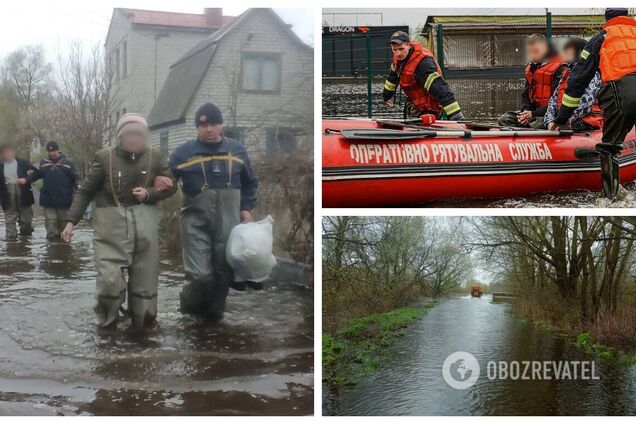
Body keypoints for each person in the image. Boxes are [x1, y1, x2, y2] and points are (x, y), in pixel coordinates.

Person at [61, 114, 177, 329]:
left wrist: (150, 193)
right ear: (120, 136)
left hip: (146, 229)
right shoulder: (104, 158)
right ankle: (107, 327)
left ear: (145, 136)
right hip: (110, 229)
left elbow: (171, 186)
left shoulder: (157, 157)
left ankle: (143, 329)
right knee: (109, 282)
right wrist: (70, 221)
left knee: (145, 285)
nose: (134, 138)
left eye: (139, 134)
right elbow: (85, 192)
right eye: (129, 134)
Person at [168, 103, 258, 321]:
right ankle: (188, 314)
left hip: (229, 224)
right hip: (195, 222)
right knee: (200, 276)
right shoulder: (183, 153)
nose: (209, 129)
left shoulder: (237, 150)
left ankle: (213, 319)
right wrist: (160, 184)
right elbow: (167, 181)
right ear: (197, 128)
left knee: (223, 274)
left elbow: (250, 183)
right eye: (203, 125)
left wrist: (246, 207)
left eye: (214, 124)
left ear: (221, 125)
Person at [549, 8, 636, 199]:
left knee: (609, 147)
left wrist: (563, 117)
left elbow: (578, 81)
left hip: (621, 93)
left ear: (607, 20)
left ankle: (610, 198)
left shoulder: (600, 39)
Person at [382, 31, 465, 120]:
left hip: (430, 106)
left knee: (420, 128)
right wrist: (387, 96)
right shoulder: (397, 60)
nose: (398, 53)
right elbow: (392, 79)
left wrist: (455, 114)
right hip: (414, 103)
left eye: (401, 49)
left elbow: (439, 88)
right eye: (395, 50)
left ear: (409, 46)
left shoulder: (423, 63)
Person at [498, 34, 566, 128]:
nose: (532, 54)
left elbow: (558, 104)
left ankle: (530, 134)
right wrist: (525, 112)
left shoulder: (560, 69)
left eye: (535, 51)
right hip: (534, 114)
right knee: (505, 119)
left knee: (537, 125)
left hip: (551, 114)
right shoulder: (530, 70)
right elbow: (526, 97)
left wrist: (533, 114)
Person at [544, 37, 603, 132]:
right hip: (563, 119)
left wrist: (565, 119)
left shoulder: (593, 74)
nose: (564, 51)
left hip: (585, 121)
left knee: (566, 127)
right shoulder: (566, 73)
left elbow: (586, 103)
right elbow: (553, 100)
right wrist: (549, 121)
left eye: (568, 49)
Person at [27, 141, 80, 240]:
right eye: (49, 151)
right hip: (48, 199)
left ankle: (64, 250)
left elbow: (75, 177)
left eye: (54, 151)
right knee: (51, 224)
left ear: (58, 151)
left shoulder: (68, 163)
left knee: (63, 226)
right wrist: (26, 179)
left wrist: (78, 185)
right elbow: (38, 174)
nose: (51, 153)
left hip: (64, 200)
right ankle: (52, 249)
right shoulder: (44, 163)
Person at [0, 144, 36, 240]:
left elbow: (37, 173)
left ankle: (26, 244)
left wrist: (26, 179)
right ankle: (11, 245)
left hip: (24, 194)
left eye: (9, 151)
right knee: (10, 221)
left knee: (26, 222)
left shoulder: (23, 163)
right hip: (7, 195)